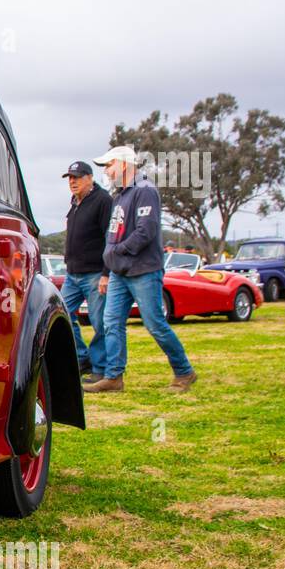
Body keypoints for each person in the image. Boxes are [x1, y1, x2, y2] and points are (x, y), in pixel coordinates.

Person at [84, 146, 197, 393]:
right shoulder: (121, 195)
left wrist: (118, 250)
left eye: (109, 165)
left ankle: (184, 371)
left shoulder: (144, 190)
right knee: (111, 322)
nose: (107, 170)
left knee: (155, 323)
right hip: (119, 272)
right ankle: (114, 377)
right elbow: (114, 233)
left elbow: (146, 231)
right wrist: (110, 260)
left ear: (124, 164)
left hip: (143, 270)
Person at [57, 161, 111, 381]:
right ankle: (82, 357)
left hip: (95, 273)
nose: (72, 182)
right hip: (73, 274)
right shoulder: (75, 202)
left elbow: (111, 238)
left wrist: (107, 273)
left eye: (77, 177)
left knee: (100, 323)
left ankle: (101, 368)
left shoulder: (103, 201)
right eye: (69, 178)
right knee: (62, 313)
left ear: (90, 178)